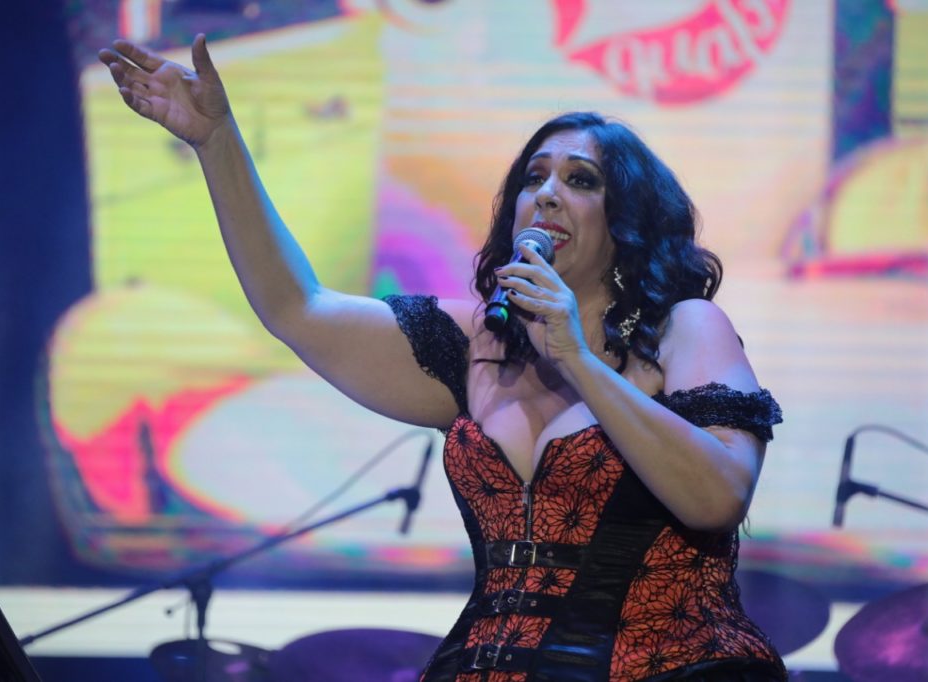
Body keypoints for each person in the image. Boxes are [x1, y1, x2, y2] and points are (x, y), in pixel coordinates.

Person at [99, 34, 787, 682]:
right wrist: (216, 140)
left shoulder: (683, 329)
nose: (547, 193)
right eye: (534, 178)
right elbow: (296, 308)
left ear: (627, 223)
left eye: (581, 180)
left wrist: (576, 356)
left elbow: (717, 497)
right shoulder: (473, 345)